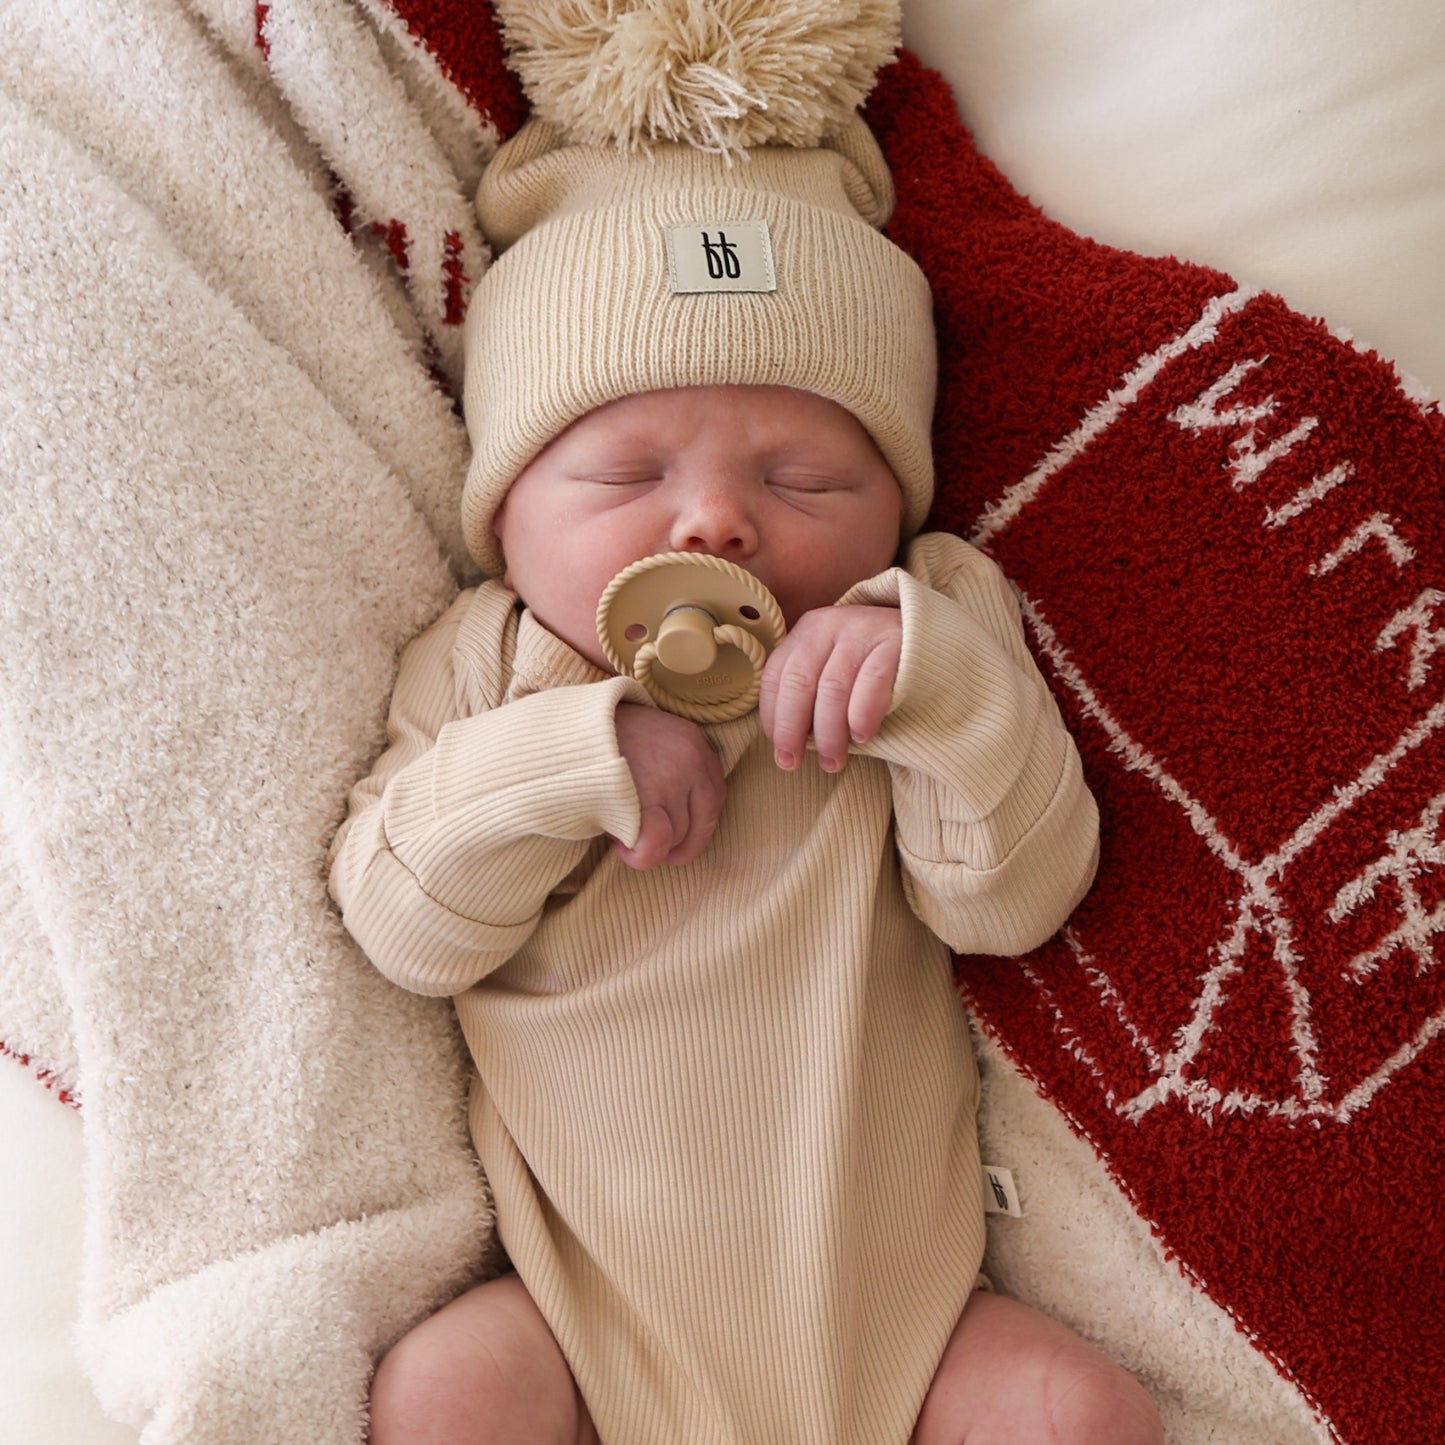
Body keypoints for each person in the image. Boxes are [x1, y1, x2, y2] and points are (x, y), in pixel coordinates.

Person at [328, 107, 1162, 1445]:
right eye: (625, 471)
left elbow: (1010, 906)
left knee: (1075, 1413)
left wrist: (928, 689)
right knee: (445, 1396)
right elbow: (402, 927)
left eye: (805, 477)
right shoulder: (492, 663)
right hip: (583, 1327)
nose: (716, 519)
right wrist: (568, 758)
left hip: (906, 1334)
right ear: (505, 513)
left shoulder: (921, 627)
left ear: (894, 508)